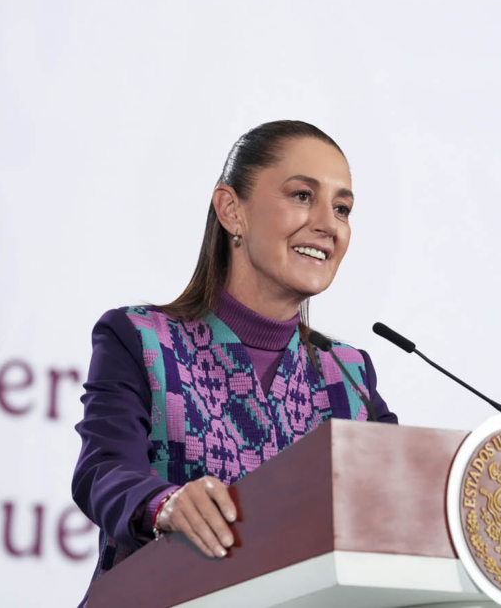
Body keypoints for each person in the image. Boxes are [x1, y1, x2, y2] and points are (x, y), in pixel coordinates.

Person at [70, 120, 398, 606]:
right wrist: (165, 504)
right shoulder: (141, 339)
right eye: (302, 196)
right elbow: (103, 470)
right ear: (231, 210)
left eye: (342, 208)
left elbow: (399, 505)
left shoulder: (347, 377)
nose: (328, 225)